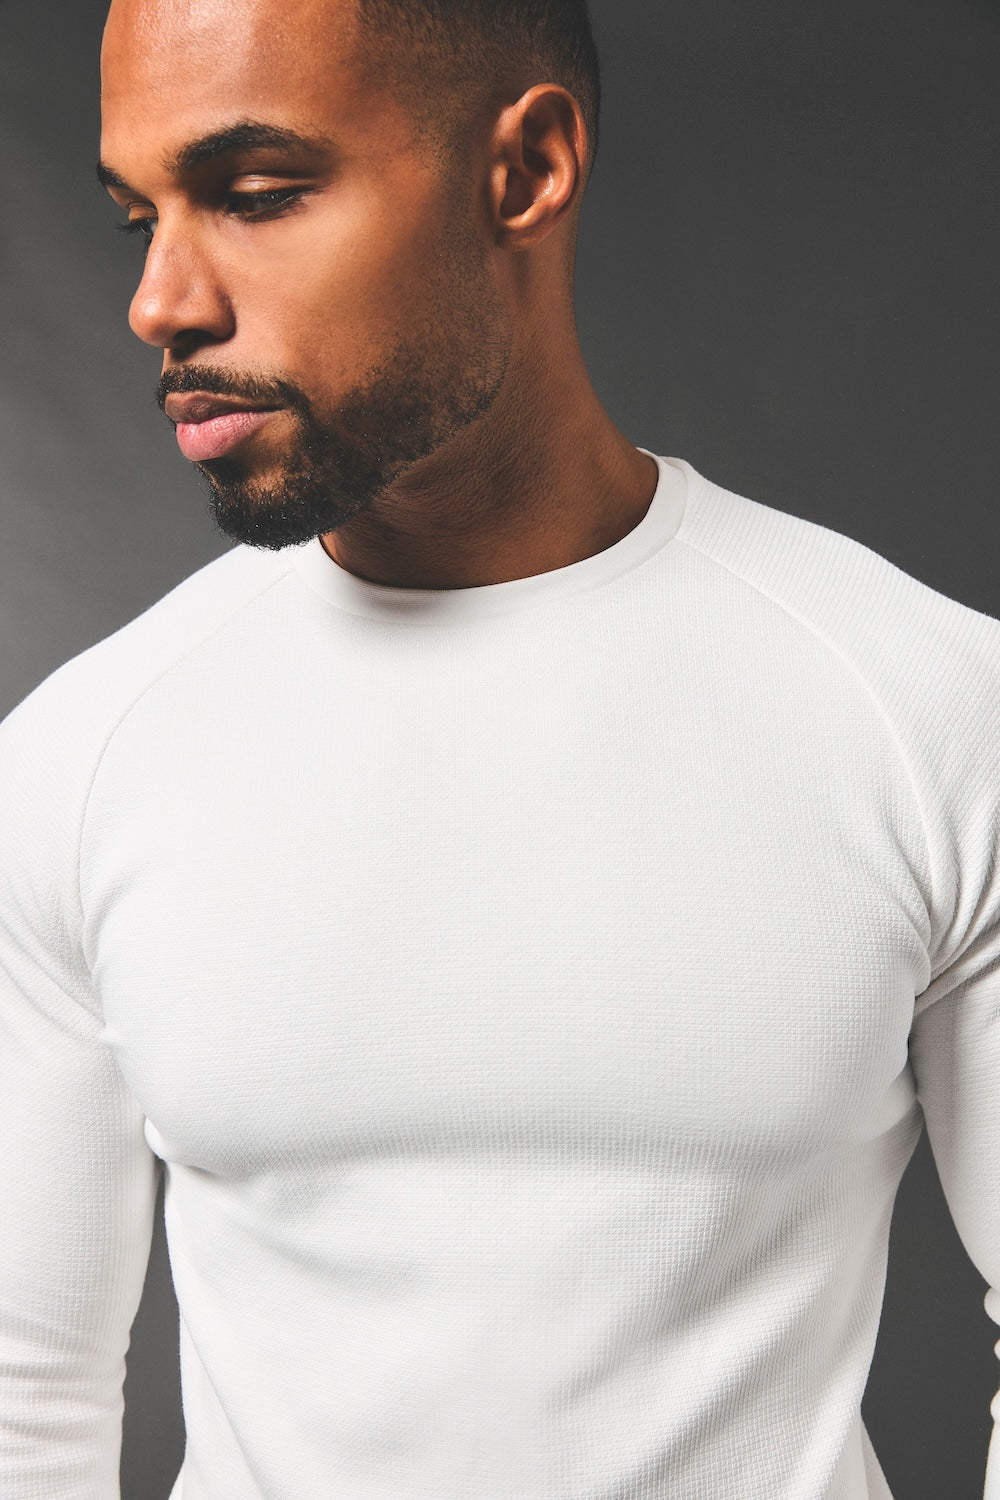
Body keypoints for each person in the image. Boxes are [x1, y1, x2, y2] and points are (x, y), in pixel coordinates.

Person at [0, 0, 997, 1495]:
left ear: (524, 170)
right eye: (142, 216)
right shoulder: (82, 757)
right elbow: (22, 1396)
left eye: (255, 194)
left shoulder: (928, 708)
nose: (159, 302)